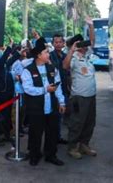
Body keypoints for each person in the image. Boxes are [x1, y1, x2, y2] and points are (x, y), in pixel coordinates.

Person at [21, 37, 66, 166]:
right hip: (36, 109)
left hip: (51, 107)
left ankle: (51, 155)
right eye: (46, 52)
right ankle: (34, 155)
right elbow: (28, 89)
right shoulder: (27, 70)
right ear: (39, 55)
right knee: (35, 133)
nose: (48, 54)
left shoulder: (52, 68)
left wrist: (61, 102)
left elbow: (58, 87)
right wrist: (45, 89)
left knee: (52, 133)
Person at [63, 16, 98, 159]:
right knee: (77, 122)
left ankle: (84, 145)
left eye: (84, 43)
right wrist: (71, 50)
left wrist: (91, 26)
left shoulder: (88, 54)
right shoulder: (73, 57)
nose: (84, 46)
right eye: (80, 44)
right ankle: (72, 147)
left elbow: (93, 40)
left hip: (91, 95)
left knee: (90, 122)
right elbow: (65, 66)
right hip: (79, 97)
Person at [49, 33, 69, 145]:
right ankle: (52, 138)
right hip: (54, 89)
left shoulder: (66, 55)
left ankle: (58, 136)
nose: (58, 44)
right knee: (54, 116)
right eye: (55, 42)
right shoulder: (49, 56)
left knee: (60, 116)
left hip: (64, 88)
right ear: (52, 44)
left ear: (63, 43)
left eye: (60, 42)